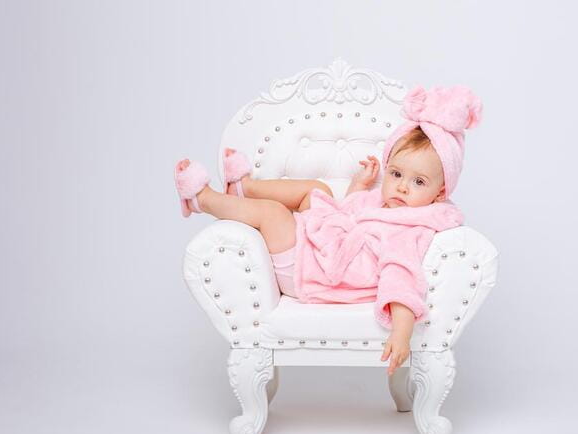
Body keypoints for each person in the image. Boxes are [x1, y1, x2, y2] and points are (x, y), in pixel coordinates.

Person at [174, 84, 482, 376]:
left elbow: (400, 278)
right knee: (316, 190)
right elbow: (350, 213)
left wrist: (402, 333)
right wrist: (359, 186)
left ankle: (202, 199)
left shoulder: (409, 229)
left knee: (274, 215)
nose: (402, 186)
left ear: (439, 193)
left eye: (418, 182)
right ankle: (242, 188)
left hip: (314, 271)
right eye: (397, 173)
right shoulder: (384, 201)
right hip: (324, 246)